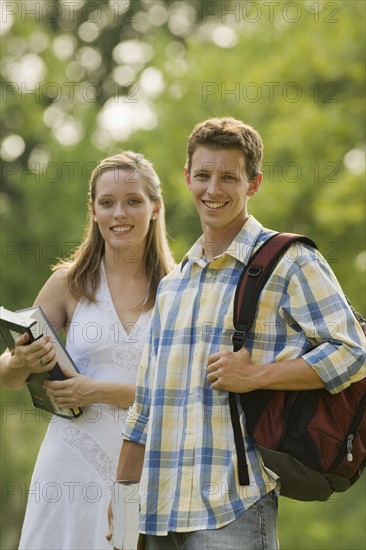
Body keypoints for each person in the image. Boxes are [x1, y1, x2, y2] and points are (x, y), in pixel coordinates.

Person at [114, 118, 366, 550]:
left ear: (254, 183)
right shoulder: (173, 285)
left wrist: (256, 376)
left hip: (233, 510)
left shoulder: (289, 261)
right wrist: (122, 510)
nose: (213, 189)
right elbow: (144, 409)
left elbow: (352, 353)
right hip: (157, 516)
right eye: (203, 175)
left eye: (229, 177)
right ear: (187, 178)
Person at [0, 151, 175, 550]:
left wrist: (95, 391)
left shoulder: (178, 290)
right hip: (67, 466)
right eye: (107, 202)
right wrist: (21, 360)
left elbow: (184, 394)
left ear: (155, 209)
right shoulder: (68, 283)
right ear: (93, 211)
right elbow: (8, 375)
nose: (120, 214)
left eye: (133, 201)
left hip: (142, 467)